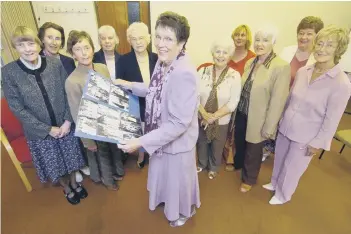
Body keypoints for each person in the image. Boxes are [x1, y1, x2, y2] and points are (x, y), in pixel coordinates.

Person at [115, 11, 200, 227]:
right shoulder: (164, 63)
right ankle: (168, 202)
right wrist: (129, 85)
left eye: (169, 39)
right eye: (159, 37)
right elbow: (154, 91)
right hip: (161, 136)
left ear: (181, 43)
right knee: (166, 179)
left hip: (176, 142)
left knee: (177, 182)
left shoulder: (184, 73)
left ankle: (183, 211)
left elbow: (179, 123)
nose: (161, 44)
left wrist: (141, 141)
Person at [263, 25, 351, 205]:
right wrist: (279, 121)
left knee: (293, 166)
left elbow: (332, 119)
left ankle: (283, 194)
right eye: (320, 43)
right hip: (287, 125)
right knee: (280, 157)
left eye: (329, 45)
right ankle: (274, 183)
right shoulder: (304, 71)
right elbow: (290, 99)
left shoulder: (341, 83)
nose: (321, 48)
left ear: (338, 49)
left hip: (307, 135)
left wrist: (318, 142)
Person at [2, 26, 87, 205]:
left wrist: (67, 121)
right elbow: (16, 108)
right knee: (56, 165)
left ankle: (74, 183)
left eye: (31, 43)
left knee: (71, 159)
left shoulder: (55, 64)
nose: (28, 49)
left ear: (38, 44)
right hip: (39, 132)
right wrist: (47, 129)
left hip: (64, 125)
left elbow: (66, 92)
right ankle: (67, 188)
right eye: (21, 45)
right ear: (15, 48)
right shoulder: (9, 72)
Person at [65, 30, 124, 191]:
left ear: (92, 48)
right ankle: (107, 181)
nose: (84, 53)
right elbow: (77, 113)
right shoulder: (72, 80)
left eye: (86, 47)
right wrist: (87, 140)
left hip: (110, 118)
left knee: (115, 149)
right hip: (93, 125)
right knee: (101, 153)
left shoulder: (102, 67)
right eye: (78, 49)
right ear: (72, 54)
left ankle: (117, 172)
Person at [235, 25, 291, 193]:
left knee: (254, 149)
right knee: (241, 142)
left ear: (273, 42)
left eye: (265, 40)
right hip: (243, 111)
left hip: (259, 116)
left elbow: (278, 100)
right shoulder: (252, 61)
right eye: (258, 40)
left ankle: (249, 178)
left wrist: (270, 126)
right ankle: (240, 166)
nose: (260, 44)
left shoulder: (280, 66)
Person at [262, 16, 324, 162]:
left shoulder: (318, 59)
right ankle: (266, 149)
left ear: (317, 36)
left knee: (287, 135)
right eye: (301, 33)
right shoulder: (287, 51)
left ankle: (283, 155)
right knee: (271, 126)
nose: (304, 37)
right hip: (279, 98)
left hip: (298, 105)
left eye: (309, 33)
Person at [197, 38, 241, 179]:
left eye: (225, 52)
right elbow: (194, 96)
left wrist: (213, 117)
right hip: (201, 116)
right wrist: (204, 115)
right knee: (202, 142)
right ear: (212, 53)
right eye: (218, 51)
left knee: (218, 143)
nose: (221, 55)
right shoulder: (202, 71)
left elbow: (233, 102)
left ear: (229, 56)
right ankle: (202, 163)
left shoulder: (235, 75)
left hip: (221, 119)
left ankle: (214, 167)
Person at [116, 22, 158, 169]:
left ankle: (154, 153)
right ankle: (141, 153)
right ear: (129, 41)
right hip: (135, 104)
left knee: (155, 130)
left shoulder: (158, 58)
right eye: (134, 39)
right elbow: (120, 86)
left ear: (148, 38)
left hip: (155, 105)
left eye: (141, 38)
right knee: (140, 130)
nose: (138, 42)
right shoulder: (123, 60)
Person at [223, 24, 256, 171]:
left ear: (247, 38)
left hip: (242, 100)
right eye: (237, 35)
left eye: (243, 35)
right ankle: (224, 154)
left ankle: (234, 158)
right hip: (227, 97)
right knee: (226, 128)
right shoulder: (228, 54)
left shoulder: (253, 58)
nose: (239, 38)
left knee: (238, 130)